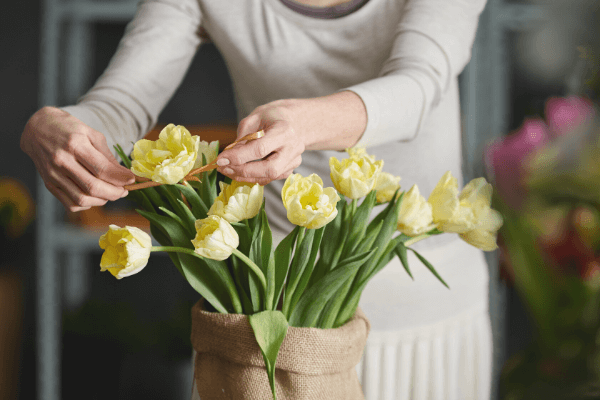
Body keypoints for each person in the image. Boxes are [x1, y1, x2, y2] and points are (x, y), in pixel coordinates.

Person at [21, 0, 491, 398]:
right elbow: (122, 103)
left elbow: (419, 86)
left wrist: (303, 125)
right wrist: (62, 125)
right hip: (273, 315)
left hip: (431, 315)